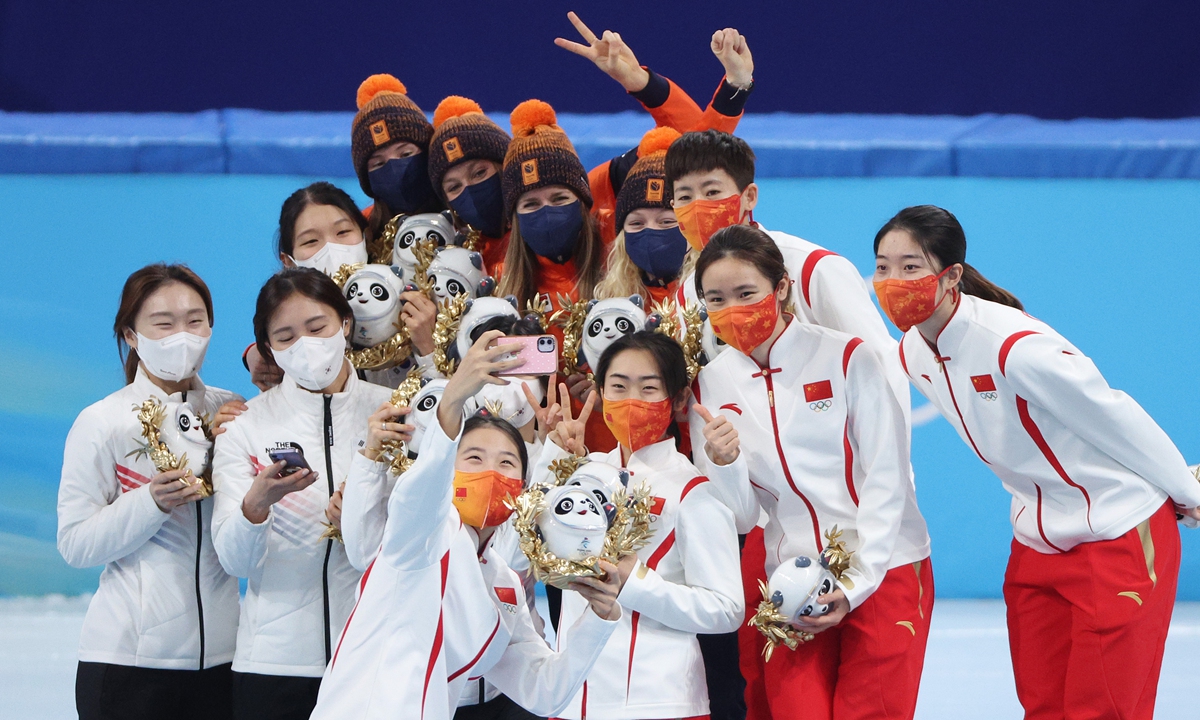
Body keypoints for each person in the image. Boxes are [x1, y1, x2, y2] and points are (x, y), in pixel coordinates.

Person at [873, 205, 1200, 720]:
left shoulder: (1015, 348)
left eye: (911, 266)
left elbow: (1115, 416)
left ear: (952, 274)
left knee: (1104, 711)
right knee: (1043, 706)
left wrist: (1187, 492)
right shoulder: (912, 352)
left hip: (1118, 533)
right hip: (1036, 543)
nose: (893, 281)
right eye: (883, 266)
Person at [310, 330, 625, 720]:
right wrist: (454, 398)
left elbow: (544, 690)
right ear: (448, 469)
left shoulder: (503, 583)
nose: (492, 471)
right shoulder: (423, 533)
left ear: (522, 489)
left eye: (507, 463)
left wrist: (599, 616)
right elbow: (420, 492)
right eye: (473, 457)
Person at [689, 226, 933, 720]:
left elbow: (888, 478)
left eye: (746, 293)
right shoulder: (712, 384)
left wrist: (857, 581)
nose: (732, 309)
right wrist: (724, 465)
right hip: (792, 579)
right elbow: (741, 517)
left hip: (886, 568)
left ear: (781, 289)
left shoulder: (846, 357)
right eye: (715, 298)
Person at [59, 263, 243, 720]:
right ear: (132, 335)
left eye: (195, 320)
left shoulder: (231, 411)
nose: (182, 334)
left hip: (226, 659)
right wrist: (150, 502)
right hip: (129, 664)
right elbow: (76, 543)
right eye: (163, 323)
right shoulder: (103, 422)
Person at [210, 268, 395, 720]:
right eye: (286, 336)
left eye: (317, 328)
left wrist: (364, 516)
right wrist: (255, 508)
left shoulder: (391, 412)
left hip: (374, 656)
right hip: (273, 666)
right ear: (268, 347)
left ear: (345, 325)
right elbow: (235, 562)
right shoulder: (245, 426)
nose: (306, 345)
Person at [529, 331, 743, 719]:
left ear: (678, 399)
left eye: (648, 389)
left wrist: (636, 583)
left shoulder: (694, 490)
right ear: (600, 393)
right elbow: (524, 549)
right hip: (571, 698)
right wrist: (552, 455)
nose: (632, 401)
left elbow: (726, 610)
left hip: (657, 700)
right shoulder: (583, 472)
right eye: (619, 386)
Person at [245, 182, 440, 391]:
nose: (331, 247)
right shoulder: (285, 323)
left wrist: (428, 349)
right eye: (311, 241)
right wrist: (263, 353)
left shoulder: (415, 301)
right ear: (289, 261)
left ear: (365, 237)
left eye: (343, 232)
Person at [594, 126, 688, 306]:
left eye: (666, 221)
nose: (651, 230)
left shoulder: (715, 296)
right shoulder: (610, 303)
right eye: (637, 223)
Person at [351, 74, 445, 247]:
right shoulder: (360, 234)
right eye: (379, 164)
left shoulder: (466, 220)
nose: (395, 169)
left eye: (405, 154)